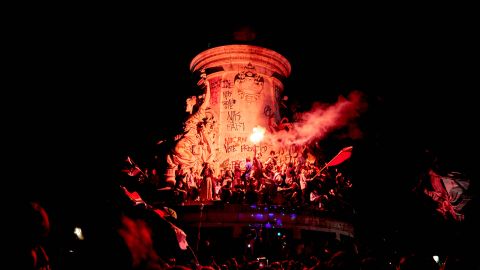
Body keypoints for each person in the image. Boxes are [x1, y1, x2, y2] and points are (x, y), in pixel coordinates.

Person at [165, 72, 212, 186]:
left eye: (188, 102)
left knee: (177, 148)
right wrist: (176, 136)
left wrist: (207, 86)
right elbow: (180, 132)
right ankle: (173, 180)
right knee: (168, 151)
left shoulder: (196, 115)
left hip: (190, 140)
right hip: (184, 139)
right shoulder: (183, 117)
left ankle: (190, 161)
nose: (186, 103)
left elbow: (205, 102)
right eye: (186, 102)